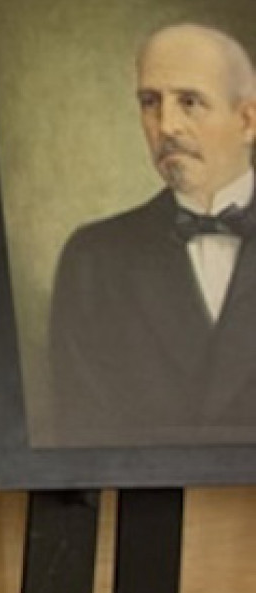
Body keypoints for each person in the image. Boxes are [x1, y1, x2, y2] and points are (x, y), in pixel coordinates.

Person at [48, 23, 256, 446]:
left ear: (248, 119)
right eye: (150, 102)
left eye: (190, 102)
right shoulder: (94, 258)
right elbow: (80, 435)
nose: (166, 126)